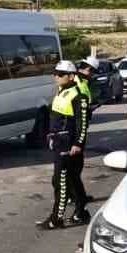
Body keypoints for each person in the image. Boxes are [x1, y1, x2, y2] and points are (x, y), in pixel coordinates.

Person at [38, 59, 92, 230]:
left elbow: (82, 122)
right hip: (59, 143)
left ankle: (56, 219)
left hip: (68, 146)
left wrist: (78, 143)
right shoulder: (61, 91)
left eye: (60, 74)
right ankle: (81, 212)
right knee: (72, 180)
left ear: (70, 76)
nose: (56, 76)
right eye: (55, 73)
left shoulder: (78, 95)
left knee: (61, 182)